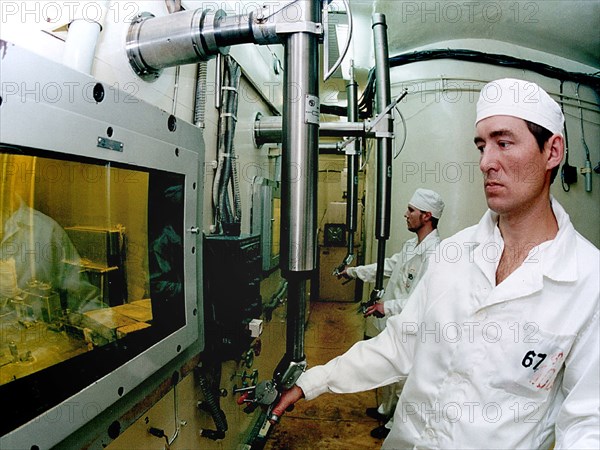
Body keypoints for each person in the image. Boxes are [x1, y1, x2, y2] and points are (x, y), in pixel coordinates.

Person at [272, 78, 600, 449]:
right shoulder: (455, 253)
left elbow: (589, 422)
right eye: (481, 145)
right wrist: (312, 382)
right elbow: (399, 344)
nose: (486, 162)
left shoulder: (589, 281)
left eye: (504, 143)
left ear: (552, 151)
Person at [337, 188, 444, 438]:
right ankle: (385, 410)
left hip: (413, 325)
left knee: (404, 378)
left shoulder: (435, 254)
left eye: (411, 210)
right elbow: (387, 267)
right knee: (389, 368)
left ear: (427, 216)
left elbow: (422, 298)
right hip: (396, 321)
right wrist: (353, 272)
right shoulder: (411, 245)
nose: (405, 215)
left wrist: (387, 306)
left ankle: (394, 426)